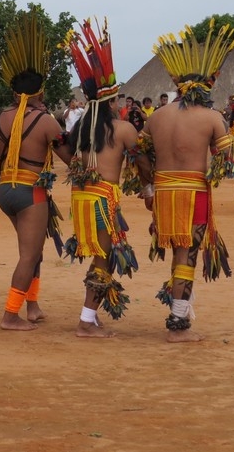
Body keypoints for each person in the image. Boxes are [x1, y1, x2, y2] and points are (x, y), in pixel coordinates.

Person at [139, 20, 234, 342]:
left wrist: (148, 186)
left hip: (163, 191)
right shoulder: (212, 117)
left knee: (178, 253)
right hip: (192, 194)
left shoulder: (156, 116)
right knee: (186, 255)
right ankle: (178, 324)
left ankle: (181, 308)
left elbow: (139, 153)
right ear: (207, 84)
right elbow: (233, 162)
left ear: (176, 83)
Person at [0, 13, 72, 331]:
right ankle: (11, 315)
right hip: (31, 192)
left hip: (6, 191)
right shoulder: (47, 121)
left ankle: (32, 306)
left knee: (33, 249)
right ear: (39, 92)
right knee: (29, 253)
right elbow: (69, 154)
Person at [62, 19, 142, 337]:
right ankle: (85, 321)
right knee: (103, 257)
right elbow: (141, 158)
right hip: (102, 198)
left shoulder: (80, 128)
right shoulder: (123, 129)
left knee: (103, 256)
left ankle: (90, 317)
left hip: (82, 197)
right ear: (112, 100)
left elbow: (64, 152)